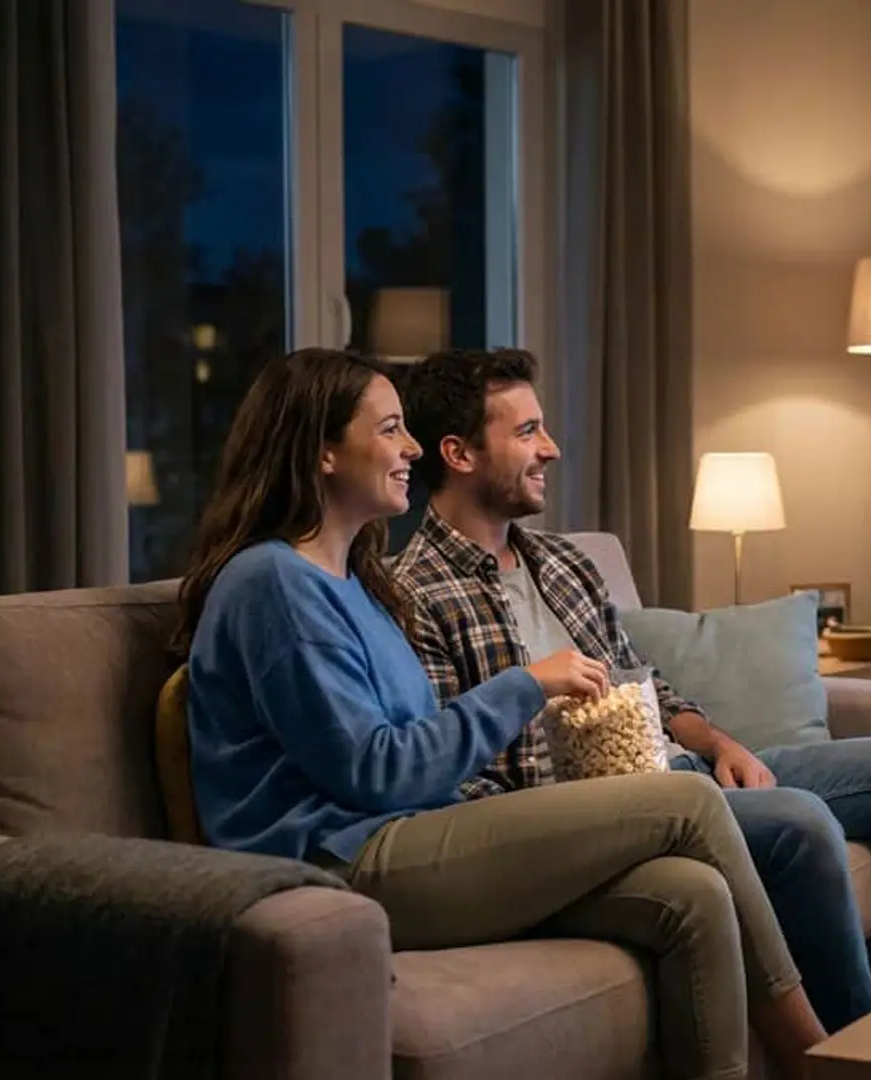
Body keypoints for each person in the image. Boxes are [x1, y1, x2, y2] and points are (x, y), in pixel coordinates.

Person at [175, 348, 827, 1080]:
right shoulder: (272, 584)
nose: (412, 449)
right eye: (390, 430)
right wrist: (526, 684)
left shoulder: (356, 581)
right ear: (323, 452)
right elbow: (372, 769)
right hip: (339, 862)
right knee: (689, 800)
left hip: (411, 831)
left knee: (694, 893)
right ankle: (820, 1059)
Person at [391, 348, 871, 1034]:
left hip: (683, 772)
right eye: (525, 433)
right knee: (800, 823)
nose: (550, 448)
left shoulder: (565, 563)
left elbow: (651, 685)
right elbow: (451, 771)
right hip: (597, 818)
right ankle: (858, 1049)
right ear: (458, 454)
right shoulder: (410, 593)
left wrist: (718, 741)